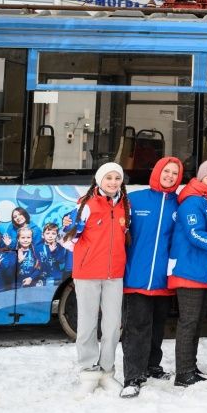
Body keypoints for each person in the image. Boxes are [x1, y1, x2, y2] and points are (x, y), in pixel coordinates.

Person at [63, 162, 130, 393]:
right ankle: (88, 372)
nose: (113, 182)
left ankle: (107, 372)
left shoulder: (124, 205)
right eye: (108, 178)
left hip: (114, 274)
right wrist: (87, 255)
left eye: (117, 178)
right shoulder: (86, 204)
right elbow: (67, 239)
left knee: (112, 326)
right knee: (87, 325)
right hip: (88, 274)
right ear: (100, 180)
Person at [121, 156, 182, 397]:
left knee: (157, 327)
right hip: (137, 277)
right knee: (137, 328)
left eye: (174, 173)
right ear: (157, 172)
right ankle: (133, 376)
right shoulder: (135, 200)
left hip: (164, 279)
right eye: (166, 171)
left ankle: (151, 365)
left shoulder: (180, 204)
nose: (170, 176)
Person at [167, 159, 207, 387]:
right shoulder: (193, 202)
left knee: (196, 322)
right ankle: (183, 373)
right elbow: (195, 234)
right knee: (189, 322)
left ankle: (190, 367)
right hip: (190, 271)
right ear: (200, 179)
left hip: (205, 273)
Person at [37, 222, 70, 286]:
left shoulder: (60, 247)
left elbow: (61, 261)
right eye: (47, 233)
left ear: (57, 235)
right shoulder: (38, 247)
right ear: (42, 235)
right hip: (43, 278)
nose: (50, 236)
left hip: (57, 278)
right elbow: (39, 264)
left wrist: (53, 252)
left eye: (53, 233)